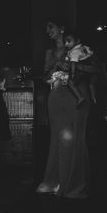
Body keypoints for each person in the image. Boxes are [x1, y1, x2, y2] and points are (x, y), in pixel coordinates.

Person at [36, 18, 98, 198]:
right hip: (56, 96)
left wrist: (75, 65)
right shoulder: (50, 52)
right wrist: (56, 65)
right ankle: (55, 181)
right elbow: (44, 78)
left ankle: (74, 184)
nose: (47, 30)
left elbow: (97, 70)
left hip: (77, 94)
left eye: (51, 27)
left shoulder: (79, 47)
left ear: (61, 28)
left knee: (75, 138)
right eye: (46, 27)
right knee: (59, 139)